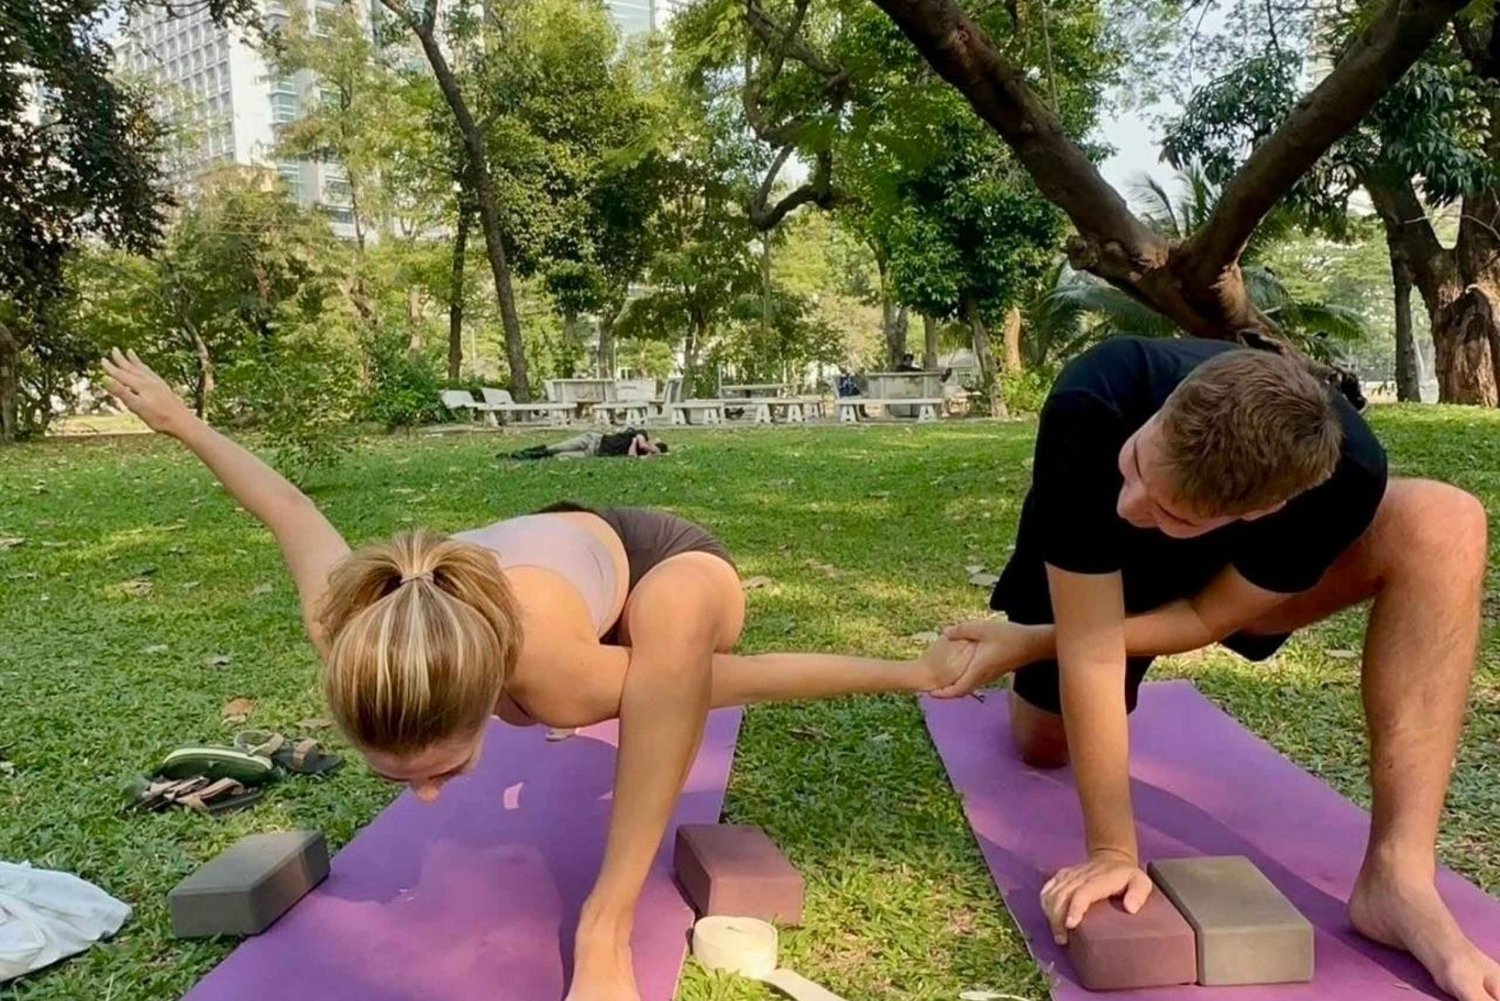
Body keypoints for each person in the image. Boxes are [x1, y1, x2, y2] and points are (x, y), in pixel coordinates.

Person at [99, 349, 973, 1001]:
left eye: (439, 767)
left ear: (486, 692)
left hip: (663, 556)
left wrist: (907, 670)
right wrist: (181, 419)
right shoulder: (351, 625)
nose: (430, 798)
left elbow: (734, 677)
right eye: (400, 776)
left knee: (666, 665)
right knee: (637, 676)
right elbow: (288, 505)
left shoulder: (549, 671)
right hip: (561, 557)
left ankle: (606, 925)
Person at [932, 336, 1497, 1001]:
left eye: (1167, 509)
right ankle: (1139, 525)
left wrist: (1028, 642)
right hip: (1095, 575)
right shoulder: (1096, 399)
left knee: (1446, 520)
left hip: (1231, 583)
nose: (1131, 503)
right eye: (1140, 462)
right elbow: (1090, 646)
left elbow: (1208, 618)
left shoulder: (1346, 474)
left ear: (1259, 512)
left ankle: (1399, 874)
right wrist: (1113, 847)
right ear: (1169, 403)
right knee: (1040, 743)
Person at [510, 428, 666, 461]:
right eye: (654, 447)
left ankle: (528, 458)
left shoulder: (639, 454)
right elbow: (642, 443)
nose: (651, 450)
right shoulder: (641, 434)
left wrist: (635, 446)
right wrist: (640, 443)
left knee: (559, 456)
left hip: (594, 453)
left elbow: (631, 456)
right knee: (558, 447)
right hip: (594, 440)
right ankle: (525, 452)